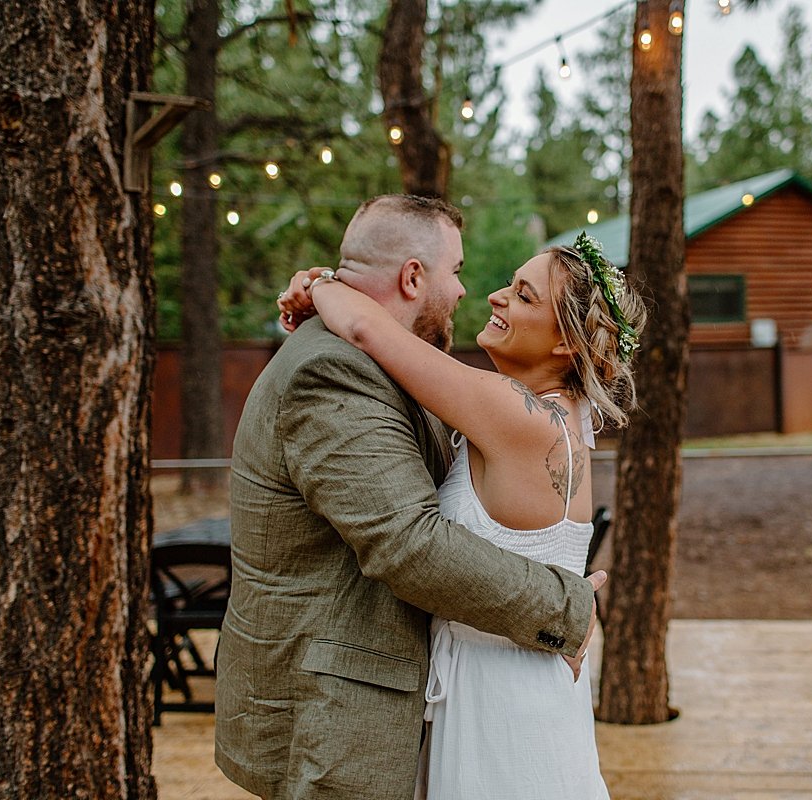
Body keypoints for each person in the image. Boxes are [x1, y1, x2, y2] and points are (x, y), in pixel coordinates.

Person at [214, 194, 604, 800]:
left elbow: (371, 324)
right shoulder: (337, 368)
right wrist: (567, 608)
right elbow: (409, 543)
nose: (473, 293)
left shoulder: (493, 402)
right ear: (414, 276)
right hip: (341, 705)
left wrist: (323, 286)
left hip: (493, 692)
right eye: (458, 273)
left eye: (522, 293)